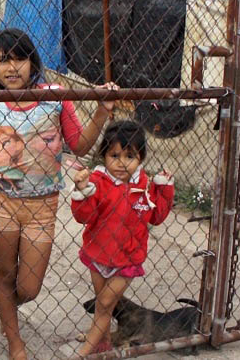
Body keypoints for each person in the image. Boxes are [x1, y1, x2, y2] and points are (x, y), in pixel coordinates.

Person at [0, 28, 118, 360]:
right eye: (3, 61)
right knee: (5, 272)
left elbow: (80, 144)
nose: (12, 68)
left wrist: (102, 112)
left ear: (33, 63)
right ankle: (14, 342)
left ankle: (6, 307)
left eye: (20, 58)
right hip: (1, 203)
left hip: (43, 208)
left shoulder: (55, 97)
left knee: (28, 288)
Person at [70, 120, 174, 355]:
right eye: (114, 155)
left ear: (141, 158)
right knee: (102, 304)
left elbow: (156, 216)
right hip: (98, 254)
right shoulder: (98, 182)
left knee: (106, 304)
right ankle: (103, 343)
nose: (121, 163)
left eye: (129, 156)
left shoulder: (145, 185)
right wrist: (81, 191)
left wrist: (165, 189)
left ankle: (84, 353)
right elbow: (82, 217)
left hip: (128, 259)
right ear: (103, 155)